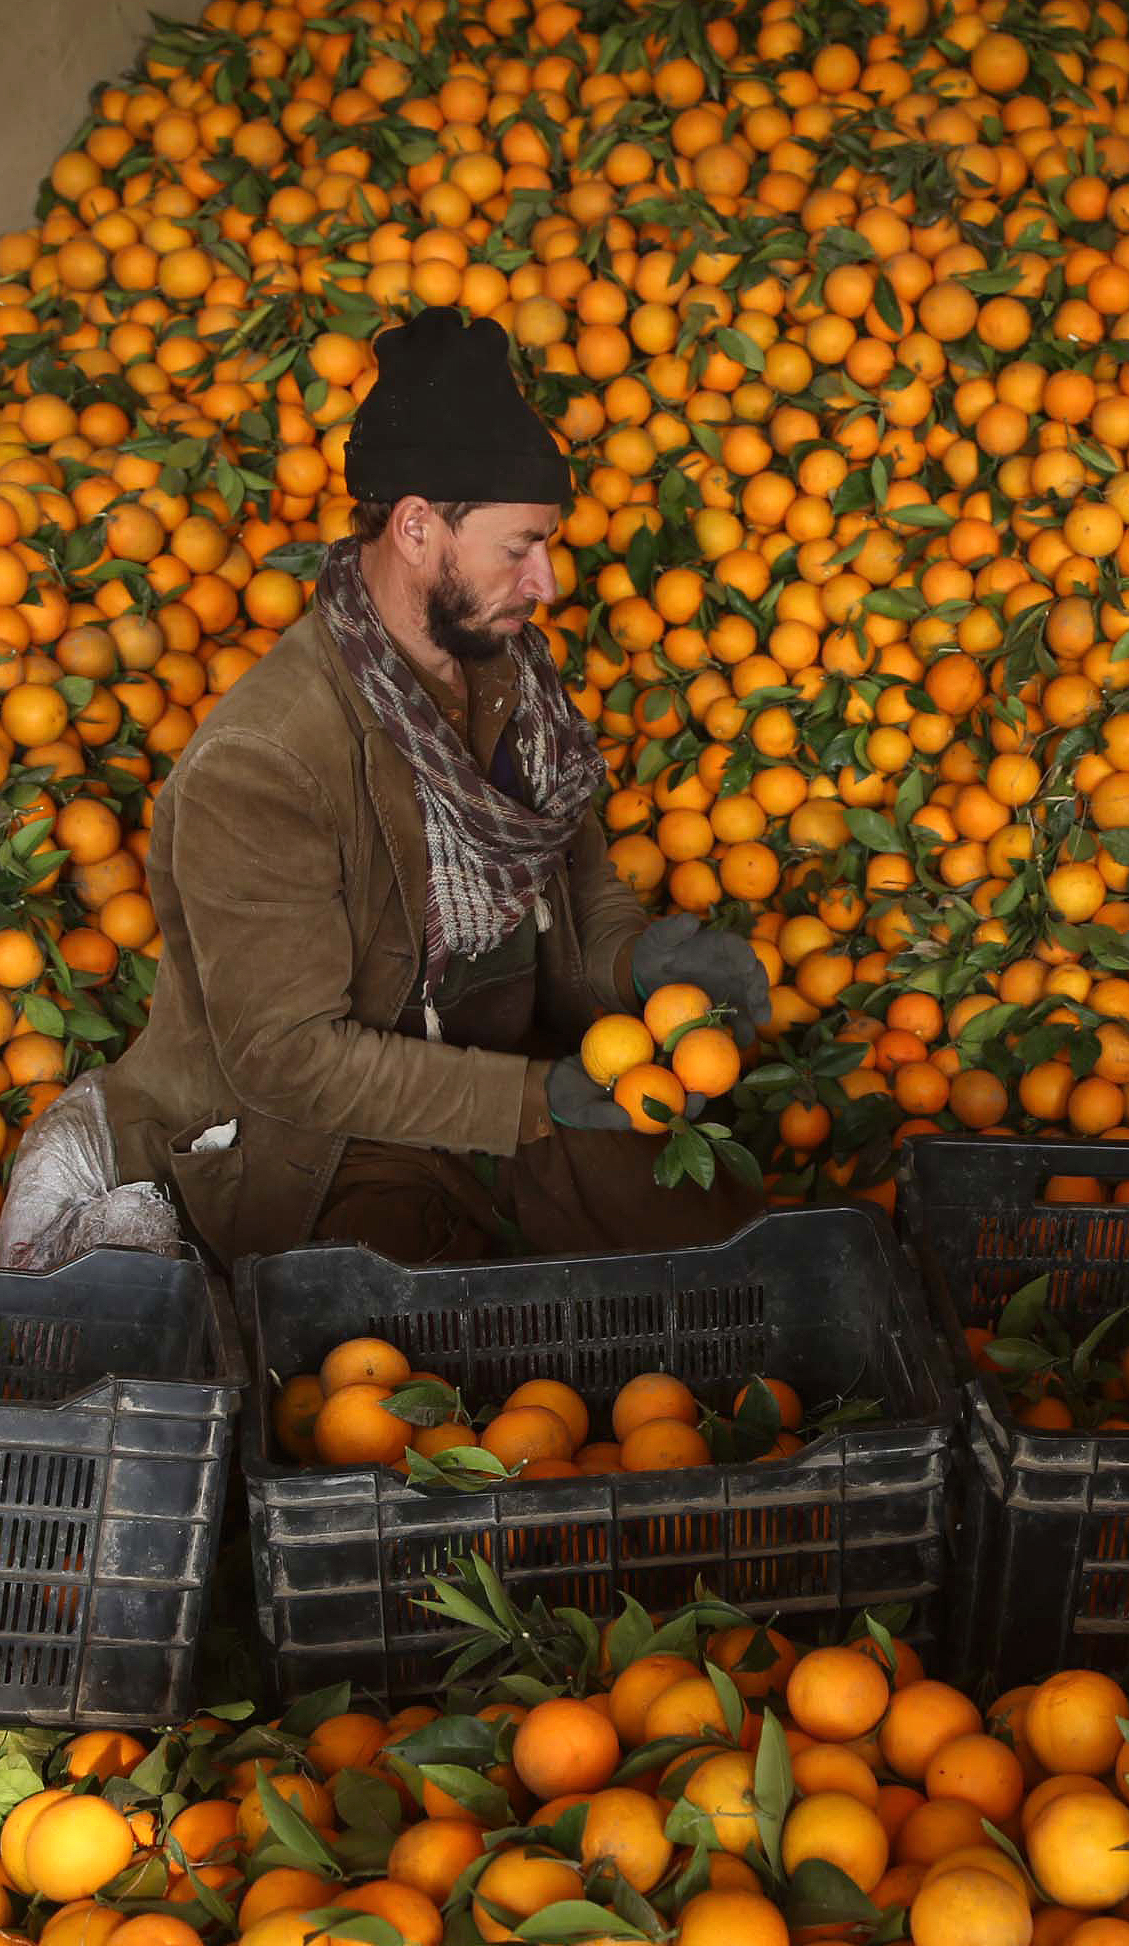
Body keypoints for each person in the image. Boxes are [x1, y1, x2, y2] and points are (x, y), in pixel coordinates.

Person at [92, 308, 768, 1268]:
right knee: (416, 1337)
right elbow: (287, 1059)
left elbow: (572, 891)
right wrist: (534, 1103)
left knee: (721, 1242)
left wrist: (642, 965)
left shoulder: (507, 673)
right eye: (519, 547)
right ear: (417, 527)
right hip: (338, 1139)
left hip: (505, 1073)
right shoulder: (265, 761)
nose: (546, 582)